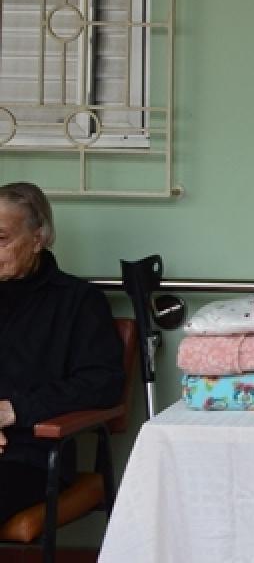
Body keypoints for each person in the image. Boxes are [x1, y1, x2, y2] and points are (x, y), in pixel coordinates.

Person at [0, 182, 124, 524]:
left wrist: (13, 411)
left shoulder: (77, 301)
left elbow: (103, 382)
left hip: (30, 457)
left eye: (1, 239)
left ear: (39, 239)